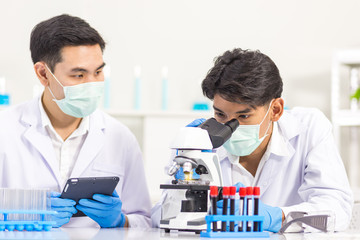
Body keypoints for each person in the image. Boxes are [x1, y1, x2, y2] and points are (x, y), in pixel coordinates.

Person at [152, 48, 353, 232]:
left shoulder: (308, 130)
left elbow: (337, 210)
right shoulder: (198, 141)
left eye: (243, 117)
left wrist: (275, 217)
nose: (229, 127)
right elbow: (159, 212)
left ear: (275, 110)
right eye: (220, 115)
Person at [0, 14, 151, 228]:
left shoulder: (120, 136)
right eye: (79, 75)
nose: (92, 84)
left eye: (98, 72)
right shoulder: (4, 130)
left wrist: (120, 221)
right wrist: (17, 217)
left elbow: (144, 220)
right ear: (43, 74)